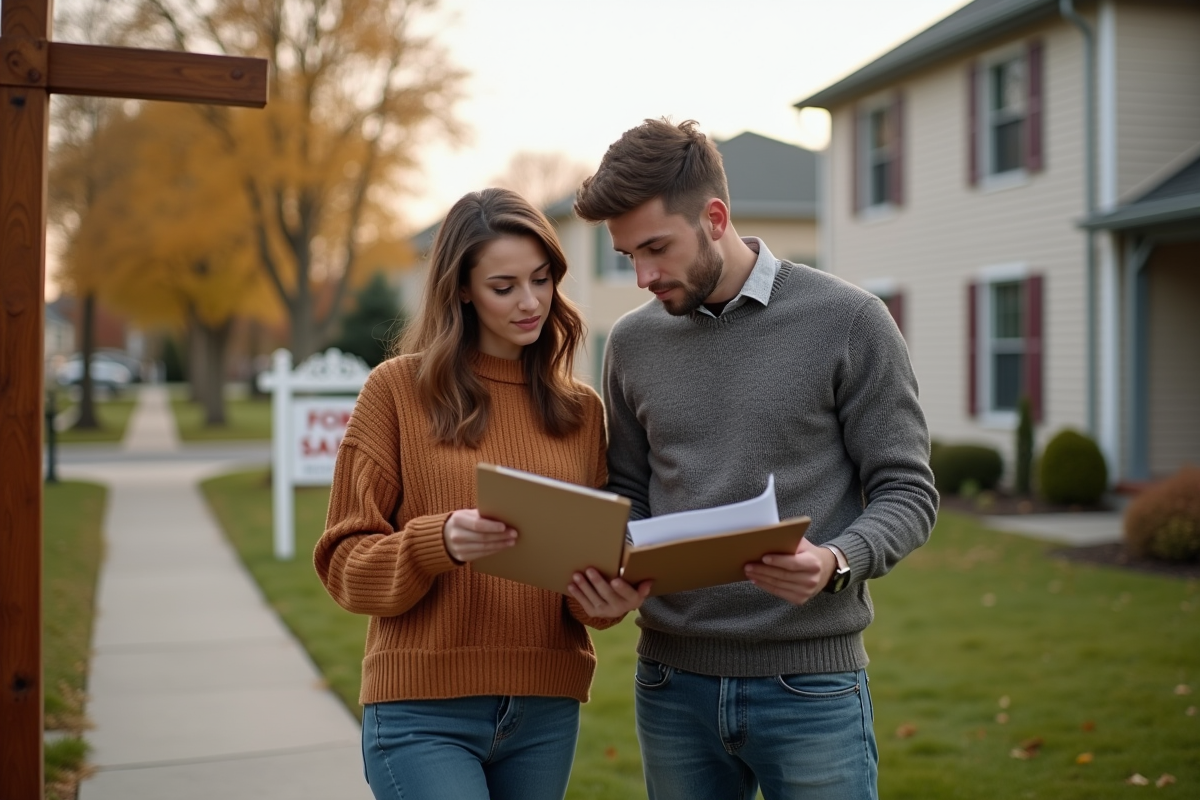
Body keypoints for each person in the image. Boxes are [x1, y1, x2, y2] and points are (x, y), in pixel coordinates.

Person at [572, 119, 939, 800]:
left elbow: (908, 491)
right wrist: (610, 576)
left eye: (656, 248)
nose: (644, 275)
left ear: (714, 218)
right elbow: (628, 492)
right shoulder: (630, 343)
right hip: (670, 683)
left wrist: (835, 562)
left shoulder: (849, 321)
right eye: (628, 256)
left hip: (809, 684)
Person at [314, 187, 647, 800]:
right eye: (505, 286)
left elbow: (585, 594)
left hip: (546, 712)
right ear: (461, 288)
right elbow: (342, 565)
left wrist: (606, 597)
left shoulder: (580, 412)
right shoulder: (396, 392)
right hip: (422, 712)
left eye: (542, 280)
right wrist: (434, 541)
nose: (531, 302)